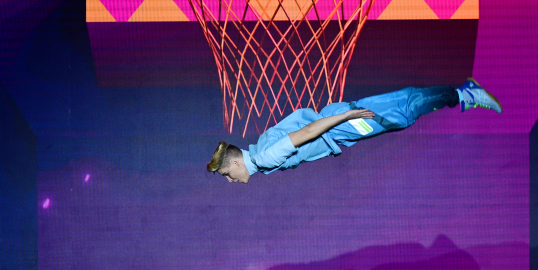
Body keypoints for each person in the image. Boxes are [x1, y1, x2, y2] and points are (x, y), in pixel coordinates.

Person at [207, 79, 501, 183]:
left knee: (401, 114)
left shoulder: (264, 157)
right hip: (336, 122)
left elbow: (307, 133)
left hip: (338, 126)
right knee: (399, 107)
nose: (230, 180)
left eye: (227, 174)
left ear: (235, 162)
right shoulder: (261, 148)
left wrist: (346, 117)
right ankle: (460, 94)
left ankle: (463, 94)